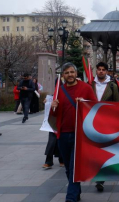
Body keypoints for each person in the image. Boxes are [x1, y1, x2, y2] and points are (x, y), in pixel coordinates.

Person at [51, 62, 97, 202]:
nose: (70, 75)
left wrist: (84, 103)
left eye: (72, 72)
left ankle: (70, 198)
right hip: (63, 134)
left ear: (76, 73)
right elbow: (55, 114)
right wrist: (53, 107)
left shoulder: (86, 88)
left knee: (73, 168)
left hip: (80, 134)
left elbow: (95, 107)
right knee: (67, 167)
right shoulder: (59, 89)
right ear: (63, 75)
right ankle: (76, 190)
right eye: (67, 73)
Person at [91, 62, 119, 192]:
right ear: (96, 71)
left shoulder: (113, 85)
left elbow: (117, 104)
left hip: (106, 122)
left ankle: (100, 179)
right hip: (91, 122)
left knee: (103, 150)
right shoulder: (90, 85)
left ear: (107, 72)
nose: (101, 72)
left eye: (103, 70)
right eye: (99, 70)